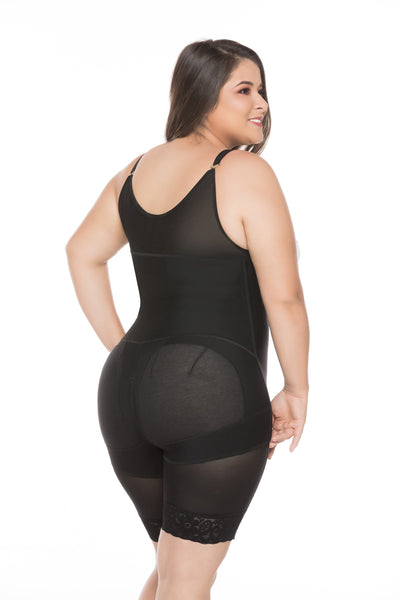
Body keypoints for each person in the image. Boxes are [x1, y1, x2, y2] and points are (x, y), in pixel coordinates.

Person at [66, 38, 309, 600]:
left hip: (125, 392)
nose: (261, 104)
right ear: (202, 94)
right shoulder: (244, 172)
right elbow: (286, 298)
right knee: (188, 580)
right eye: (243, 90)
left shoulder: (134, 172)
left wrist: (125, 350)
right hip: (211, 395)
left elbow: (82, 253)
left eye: (262, 90)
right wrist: (295, 388)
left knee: (172, 572)